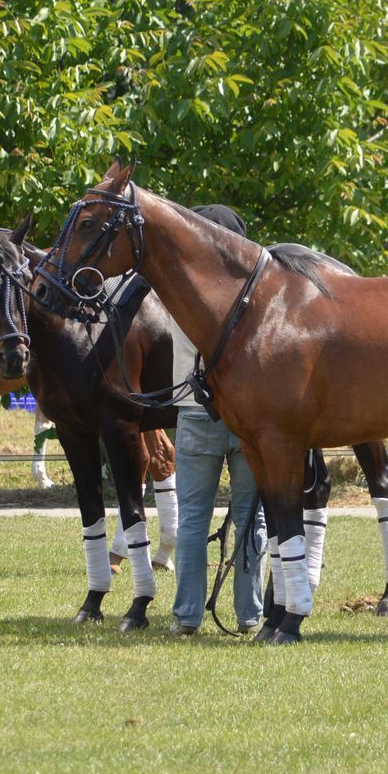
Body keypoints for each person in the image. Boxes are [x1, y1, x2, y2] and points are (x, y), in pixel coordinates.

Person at [168, 204, 267, 635]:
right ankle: (250, 615)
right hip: (246, 416)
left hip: (194, 412)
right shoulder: (255, 293)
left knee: (192, 519)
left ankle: (187, 616)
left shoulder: (180, 290)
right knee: (251, 518)